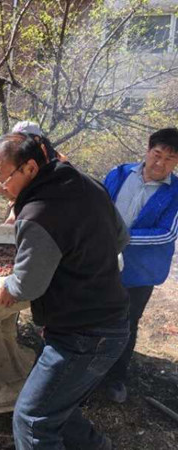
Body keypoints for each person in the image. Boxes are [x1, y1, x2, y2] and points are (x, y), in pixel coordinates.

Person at [0, 133, 129, 450]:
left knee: (32, 420)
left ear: (30, 168)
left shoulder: (38, 213)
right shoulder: (87, 183)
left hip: (84, 335)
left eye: (2, 180)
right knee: (55, 406)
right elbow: (121, 238)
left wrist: (9, 285)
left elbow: (28, 285)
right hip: (110, 321)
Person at [102, 127, 178, 403]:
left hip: (139, 272)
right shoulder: (119, 173)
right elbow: (98, 205)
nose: (160, 163)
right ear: (147, 151)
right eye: (157, 154)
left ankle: (116, 377)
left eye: (169, 159)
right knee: (93, 315)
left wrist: (120, 238)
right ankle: (85, 375)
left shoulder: (175, 192)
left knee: (126, 322)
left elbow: (167, 232)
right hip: (102, 264)